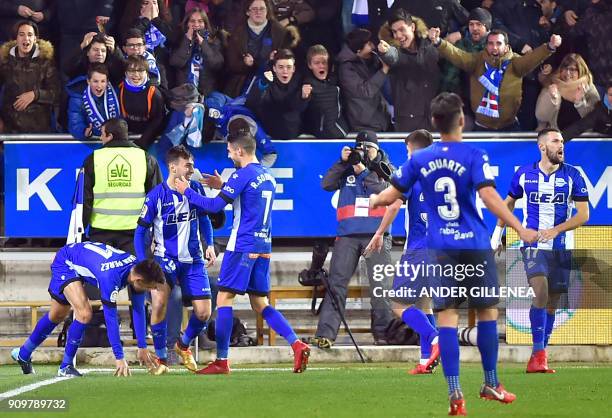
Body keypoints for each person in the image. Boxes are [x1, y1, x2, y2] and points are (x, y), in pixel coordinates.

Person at [370, 92, 539, 415]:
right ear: (462, 119)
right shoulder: (475, 154)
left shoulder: (419, 160)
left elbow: (391, 193)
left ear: (434, 122)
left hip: (440, 249)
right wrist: (518, 227)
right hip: (473, 245)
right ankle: (491, 382)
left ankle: (455, 394)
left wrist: (377, 200)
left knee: (447, 317)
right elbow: (489, 196)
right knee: (487, 312)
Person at [173, 132, 311, 374]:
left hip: (242, 245)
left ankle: (222, 361)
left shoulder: (242, 174)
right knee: (260, 303)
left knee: (224, 299)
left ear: (239, 151)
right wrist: (224, 186)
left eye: (229, 150)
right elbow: (249, 198)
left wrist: (187, 192)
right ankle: (297, 344)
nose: (228, 154)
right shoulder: (266, 174)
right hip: (264, 245)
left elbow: (215, 206)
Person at [491, 127, 589, 374]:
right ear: (542, 146)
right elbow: (509, 203)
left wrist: (557, 230)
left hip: (561, 247)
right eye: (556, 141)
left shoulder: (573, 176)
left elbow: (584, 214)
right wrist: (496, 234)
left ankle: (539, 357)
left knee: (552, 303)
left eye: (563, 141)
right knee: (541, 291)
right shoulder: (524, 174)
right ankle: (538, 353)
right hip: (533, 245)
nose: (561, 145)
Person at [11, 242, 165, 377]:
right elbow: (110, 318)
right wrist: (119, 357)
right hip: (66, 262)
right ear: (139, 280)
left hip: (79, 260)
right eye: (151, 288)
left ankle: (23, 354)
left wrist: (142, 347)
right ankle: (66, 366)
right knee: (84, 313)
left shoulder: (137, 269)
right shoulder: (110, 277)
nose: (152, 291)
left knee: (57, 315)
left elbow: (138, 309)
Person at [134, 145, 216, 373]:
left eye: (192, 164)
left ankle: (182, 345)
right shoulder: (155, 196)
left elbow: (204, 218)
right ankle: (161, 359)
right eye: (188, 165)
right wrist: (144, 262)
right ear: (173, 167)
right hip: (165, 261)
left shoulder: (196, 188)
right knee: (159, 304)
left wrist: (209, 243)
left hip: (193, 261)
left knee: (203, 312)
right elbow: (140, 231)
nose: (192, 169)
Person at [364, 129, 439, 374]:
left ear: (413, 149)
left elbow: (394, 203)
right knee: (425, 304)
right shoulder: (444, 171)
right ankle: (425, 360)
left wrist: (378, 233)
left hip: (419, 247)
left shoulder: (412, 171)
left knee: (396, 303)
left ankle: (435, 339)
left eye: (408, 151)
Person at [313, 130, 393, 348]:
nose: (365, 152)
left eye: (369, 148)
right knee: (336, 284)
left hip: (376, 235)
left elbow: (386, 191)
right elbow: (326, 184)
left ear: (377, 149)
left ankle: (384, 334)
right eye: (361, 148)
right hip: (347, 235)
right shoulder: (346, 167)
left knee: (380, 287)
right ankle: (326, 334)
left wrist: (365, 171)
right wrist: (342, 161)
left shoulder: (386, 167)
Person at [428, 27, 561, 131]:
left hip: (510, 127)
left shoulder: (515, 62)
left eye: (498, 43)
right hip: (481, 127)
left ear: (506, 46)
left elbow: (533, 58)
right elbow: (457, 55)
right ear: (486, 46)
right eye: (491, 43)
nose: (494, 47)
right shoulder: (477, 60)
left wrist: (549, 47)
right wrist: (439, 42)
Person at [82, 117, 162, 253]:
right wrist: (157, 234)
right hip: (136, 233)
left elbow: (84, 199)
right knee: (137, 273)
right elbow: (157, 198)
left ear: (110, 136)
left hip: (101, 233)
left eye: (102, 134)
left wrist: (82, 231)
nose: (101, 138)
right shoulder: (145, 158)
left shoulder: (94, 159)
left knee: (102, 273)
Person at [376, 8, 439, 132]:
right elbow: (394, 57)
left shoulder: (428, 46)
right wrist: (385, 52)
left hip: (433, 119)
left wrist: (436, 42)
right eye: (394, 32)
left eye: (401, 30)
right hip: (408, 122)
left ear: (413, 27)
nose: (398, 36)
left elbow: (435, 58)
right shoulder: (395, 50)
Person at [223, 0, 298, 98]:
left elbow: (287, 60)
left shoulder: (280, 32)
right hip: (243, 81)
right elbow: (232, 64)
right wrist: (245, 64)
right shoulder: (237, 33)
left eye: (262, 9)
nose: (258, 12)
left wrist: (275, 59)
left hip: (272, 80)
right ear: (247, 12)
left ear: (267, 11)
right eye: (254, 9)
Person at [0, 20, 59, 133]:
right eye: (21, 34)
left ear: (35, 39)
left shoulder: (46, 61)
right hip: (11, 129)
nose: (26, 39)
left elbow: (55, 93)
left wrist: (35, 94)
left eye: (30, 35)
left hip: (39, 129)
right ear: (15, 39)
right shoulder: (5, 61)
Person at [246, 48, 310, 139]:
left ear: (293, 69)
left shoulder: (300, 83)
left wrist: (304, 97)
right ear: (274, 68)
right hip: (269, 135)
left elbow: (298, 108)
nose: (285, 71)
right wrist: (263, 85)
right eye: (281, 67)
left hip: (294, 136)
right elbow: (251, 103)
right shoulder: (266, 80)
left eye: (288, 67)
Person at [337, 28, 390, 132]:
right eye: (369, 44)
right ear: (358, 51)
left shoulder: (372, 58)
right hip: (364, 124)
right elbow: (365, 91)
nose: (373, 47)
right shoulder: (346, 68)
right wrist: (384, 70)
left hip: (381, 118)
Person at [535, 53, 599, 131]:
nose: (568, 73)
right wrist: (552, 99)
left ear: (580, 70)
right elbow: (541, 117)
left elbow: (595, 119)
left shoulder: (589, 89)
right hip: (556, 135)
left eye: (572, 69)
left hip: (582, 137)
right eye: (565, 68)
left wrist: (580, 103)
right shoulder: (552, 85)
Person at [170, 7, 224, 96]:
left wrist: (203, 43)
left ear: (205, 24)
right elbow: (176, 62)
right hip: (184, 93)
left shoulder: (214, 41)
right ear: (187, 23)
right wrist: (187, 41)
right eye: (192, 21)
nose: (196, 24)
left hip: (207, 93)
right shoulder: (179, 39)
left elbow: (217, 64)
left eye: (200, 21)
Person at [117, 55, 166, 149]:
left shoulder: (154, 93)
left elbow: (158, 120)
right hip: (128, 134)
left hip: (148, 136)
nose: (136, 74)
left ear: (146, 73)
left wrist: (144, 141)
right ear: (126, 73)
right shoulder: (120, 88)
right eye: (131, 70)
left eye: (140, 70)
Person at [302, 44, 349, 138]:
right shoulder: (307, 86)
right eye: (317, 63)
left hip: (342, 131)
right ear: (309, 65)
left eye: (324, 62)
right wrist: (303, 98)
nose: (321, 66)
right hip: (325, 137)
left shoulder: (336, 81)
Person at [67, 64, 120, 140]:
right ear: (88, 81)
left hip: (114, 141)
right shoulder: (77, 97)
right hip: (91, 143)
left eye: (103, 81)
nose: (99, 85)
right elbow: (75, 123)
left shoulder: (116, 93)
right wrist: (84, 132)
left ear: (107, 82)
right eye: (95, 81)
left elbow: (123, 119)